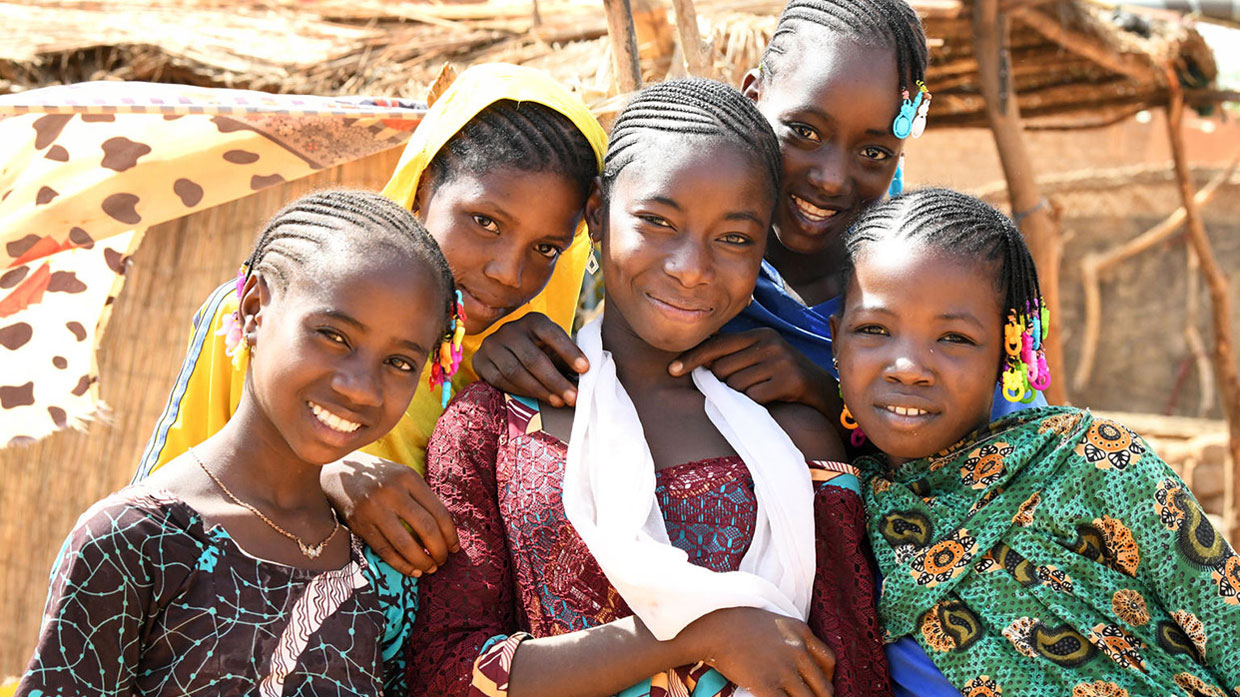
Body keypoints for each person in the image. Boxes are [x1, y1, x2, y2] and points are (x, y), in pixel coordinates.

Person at [411, 78, 889, 697]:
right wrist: (694, 633)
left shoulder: (795, 431)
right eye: (658, 222)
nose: (691, 266)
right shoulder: (491, 427)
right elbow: (446, 671)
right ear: (596, 218)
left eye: (735, 239)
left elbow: (854, 671)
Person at [132, 63, 608, 576]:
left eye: (546, 248)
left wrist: (507, 403)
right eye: (486, 222)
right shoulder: (269, 318)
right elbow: (154, 517)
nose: (509, 273)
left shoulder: (538, 375)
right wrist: (331, 476)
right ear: (424, 186)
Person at [17, 191, 457, 696]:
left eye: (399, 362)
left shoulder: (382, 571)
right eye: (333, 335)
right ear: (253, 311)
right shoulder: (136, 543)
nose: (360, 386)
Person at [830, 187, 1240, 696]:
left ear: (1006, 353)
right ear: (835, 338)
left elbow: (1227, 625)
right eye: (873, 329)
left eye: (955, 338)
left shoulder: (1092, 462)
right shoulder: (838, 505)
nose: (910, 368)